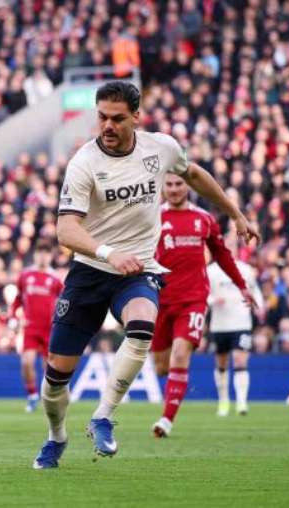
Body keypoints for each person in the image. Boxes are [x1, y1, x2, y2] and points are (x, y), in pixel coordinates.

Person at [33, 81, 259, 468]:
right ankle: (56, 436)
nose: (108, 125)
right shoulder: (84, 163)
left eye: (117, 118)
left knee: (141, 326)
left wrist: (235, 214)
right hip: (90, 271)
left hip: (138, 269)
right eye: (102, 117)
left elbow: (194, 174)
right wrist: (109, 253)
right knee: (56, 377)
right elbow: (65, 230)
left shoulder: (160, 148)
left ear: (136, 117)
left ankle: (103, 417)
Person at [150, 174, 258, 438]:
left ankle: (166, 420)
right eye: (169, 184)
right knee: (161, 367)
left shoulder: (204, 219)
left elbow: (222, 254)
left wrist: (242, 285)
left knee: (179, 355)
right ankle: (176, 387)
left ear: (188, 185)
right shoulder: (153, 217)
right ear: (163, 187)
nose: (174, 189)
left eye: (179, 184)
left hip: (193, 300)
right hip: (161, 301)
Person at [9, 242, 63, 412]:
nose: (42, 256)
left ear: (50, 256)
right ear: (35, 254)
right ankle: (32, 395)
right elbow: (18, 299)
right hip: (31, 327)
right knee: (27, 362)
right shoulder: (25, 276)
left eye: (46, 253)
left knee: (49, 368)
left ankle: (48, 398)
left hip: (49, 328)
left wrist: (60, 320)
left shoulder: (55, 279)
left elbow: (63, 302)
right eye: (40, 252)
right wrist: (13, 317)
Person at [207, 256, 264, 417]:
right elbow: (203, 292)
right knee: (222, 363)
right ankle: (223, 400)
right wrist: (212, 300)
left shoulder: (245, 269)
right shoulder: (211, 271)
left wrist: (259, 306)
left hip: (241, 322)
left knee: (240, 360)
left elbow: (255, 290)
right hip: (220, 324)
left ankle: (241, 402)